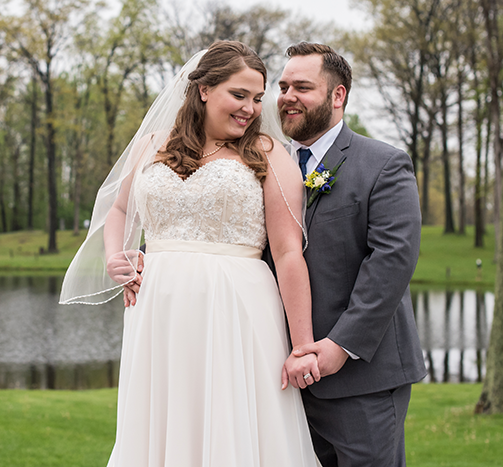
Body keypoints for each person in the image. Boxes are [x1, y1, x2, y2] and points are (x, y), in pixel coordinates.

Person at [60, 41, 321, 466]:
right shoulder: (150, 144)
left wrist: (303, 344)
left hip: (236, 309)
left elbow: (290, 251)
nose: (251, 109)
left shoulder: (269, 154)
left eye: (257, 98)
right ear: (203, 89)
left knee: (232, 421)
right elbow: (120, 209)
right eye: (239, 95)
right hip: (157, 309)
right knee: (162, 422)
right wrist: (116, 256)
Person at [277, 42, 426, 466]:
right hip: (286, 376)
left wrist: (340, 345)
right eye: (283, 86)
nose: (287, 96)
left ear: (337, 95)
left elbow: (392, 261)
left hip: (363, 379)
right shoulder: (269, 168)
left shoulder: (383, 164)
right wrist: (148, 257)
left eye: (302, 87)